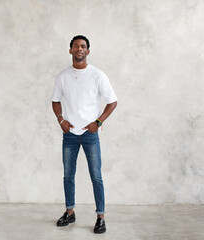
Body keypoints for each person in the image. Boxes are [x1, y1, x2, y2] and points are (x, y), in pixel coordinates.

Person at [51, 35, 117, 234]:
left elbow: (112, 101)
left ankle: (100, 217)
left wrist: (98, 122)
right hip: (70, 134)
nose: (79, 49)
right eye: (76, 46)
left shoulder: (97, 75)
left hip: (90, 135)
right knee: (68, 176)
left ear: (88, 51)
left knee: (96, 176)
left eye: (83, 46)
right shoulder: (63, 76)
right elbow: (55, 101)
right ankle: (70, 212)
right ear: (70, 50)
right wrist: (61, 120)